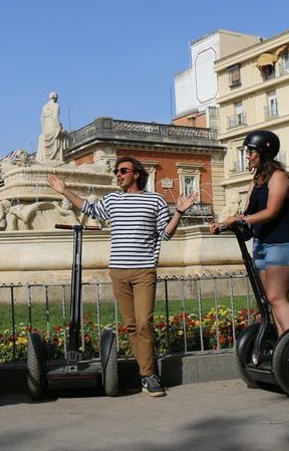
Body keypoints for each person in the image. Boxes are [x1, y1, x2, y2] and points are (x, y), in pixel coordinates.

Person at [47, 156, 199, 397]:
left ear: (136, 174)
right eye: (117, 171)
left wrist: (179, 212)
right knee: (130, 325)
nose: (118, 174)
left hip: (144, 270)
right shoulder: (113, 200)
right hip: (118, 270)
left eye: (123, 171)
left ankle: (149, 375)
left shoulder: (155, 200)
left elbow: (166, 234)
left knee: (144, 323)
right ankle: (146, 374)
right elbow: (88, 208)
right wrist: (65, 190)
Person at [210, 130, 289, 336]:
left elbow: (272, 211)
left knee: (277, 298)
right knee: (270, 300)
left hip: (284, 244)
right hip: (263, 246)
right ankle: (285, 347)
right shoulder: (255, 182)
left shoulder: (279, 177)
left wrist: (240, 219)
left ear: (264, 152)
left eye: (251, 152)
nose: (247, 156)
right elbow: (247, 215)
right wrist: (224, 225)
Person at [37, 92, 66, 162]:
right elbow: (55, 118)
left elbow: (41, 120)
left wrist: (44, 130)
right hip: (53, 130)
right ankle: (57, 159)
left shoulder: (44, 107)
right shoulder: (56, 106)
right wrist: (59, 129)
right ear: (55, 98)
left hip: (46, 130)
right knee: (65, 136)